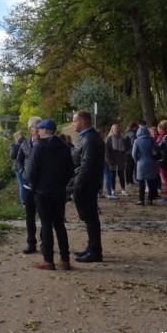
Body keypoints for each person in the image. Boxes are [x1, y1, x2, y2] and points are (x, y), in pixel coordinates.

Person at [28, 119, 75, 271]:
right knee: (60, 224)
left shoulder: (39, 146)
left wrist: (35, 187)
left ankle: (48, 260)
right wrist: (61, 184)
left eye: (39, 129)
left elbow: (32, 171)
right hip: (59, 191)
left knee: (46, 224)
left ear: (44, 130)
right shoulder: (64, 147)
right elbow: (70, 170)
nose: (38, 131)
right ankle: (65, 259)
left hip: (42, 192)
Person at [70, 110, 105, 263]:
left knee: (90, 218)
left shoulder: (89, 139)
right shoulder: (88, 137)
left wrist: (76, 185)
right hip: (88, 183)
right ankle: (92, 248)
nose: (73, 124)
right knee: (89, 218)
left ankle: (95, 251)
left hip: (86, 185)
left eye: (75, 121)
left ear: (83, 122)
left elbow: (87, 165)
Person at [16, 116, 42, 254]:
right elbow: (18, 161)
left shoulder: (45, 143)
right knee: (30, 216)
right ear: (30, 129)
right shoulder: (25, 144)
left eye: (40, 126)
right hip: (28, 187)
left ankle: (45, 243)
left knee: (44, 217)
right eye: (35, 127)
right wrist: (23, 173)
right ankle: (31, 243)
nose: (38, 129)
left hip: (42, 187)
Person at [132, 125, 160, 205]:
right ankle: (150, 199)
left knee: (141, 183)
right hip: (151, 162)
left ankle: (141, 199)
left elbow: (134, 154)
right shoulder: (151, 140)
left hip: (141, 163)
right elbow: (156, 150)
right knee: (150, 182)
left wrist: (137, 160)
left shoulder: (136, 141)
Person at [155, 120, 167, 204]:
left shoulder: (165, 137)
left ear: (160, 128)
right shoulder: (162, 137)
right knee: (165, 178)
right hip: (162, 159)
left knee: (166, 178)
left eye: (158, 128)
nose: (157, 130)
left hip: (164, 160)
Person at [105, 124, 127, 196]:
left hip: (120, 158)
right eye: (115, 129)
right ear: (112, 130)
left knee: (121, 174)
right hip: (112, 158)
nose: (117, 130)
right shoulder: (109, 138)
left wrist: (125, 160)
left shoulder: (122, 138)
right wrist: (109, 160)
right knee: (112, 175)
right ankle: (113, 189)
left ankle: (123, 189)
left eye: (118, 129)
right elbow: (107, 151)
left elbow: (124, 151)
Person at [10, 131, 26, 205]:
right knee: (27, 183)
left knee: (21, 185)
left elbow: (12, 156)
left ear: (16, 137)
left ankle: (23, 202)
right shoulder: (27, 142)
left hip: (18, 166)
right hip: (26, 165)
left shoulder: (15, 145)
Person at [124, 121, 138, 187]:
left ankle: (128, 181)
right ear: (134, 127)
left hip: (126, 152)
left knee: (127, 167)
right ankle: (130, 181)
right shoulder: (132, 134)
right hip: (131, 152)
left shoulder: (126, 132)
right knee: (130, 167)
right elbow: (133, 144)